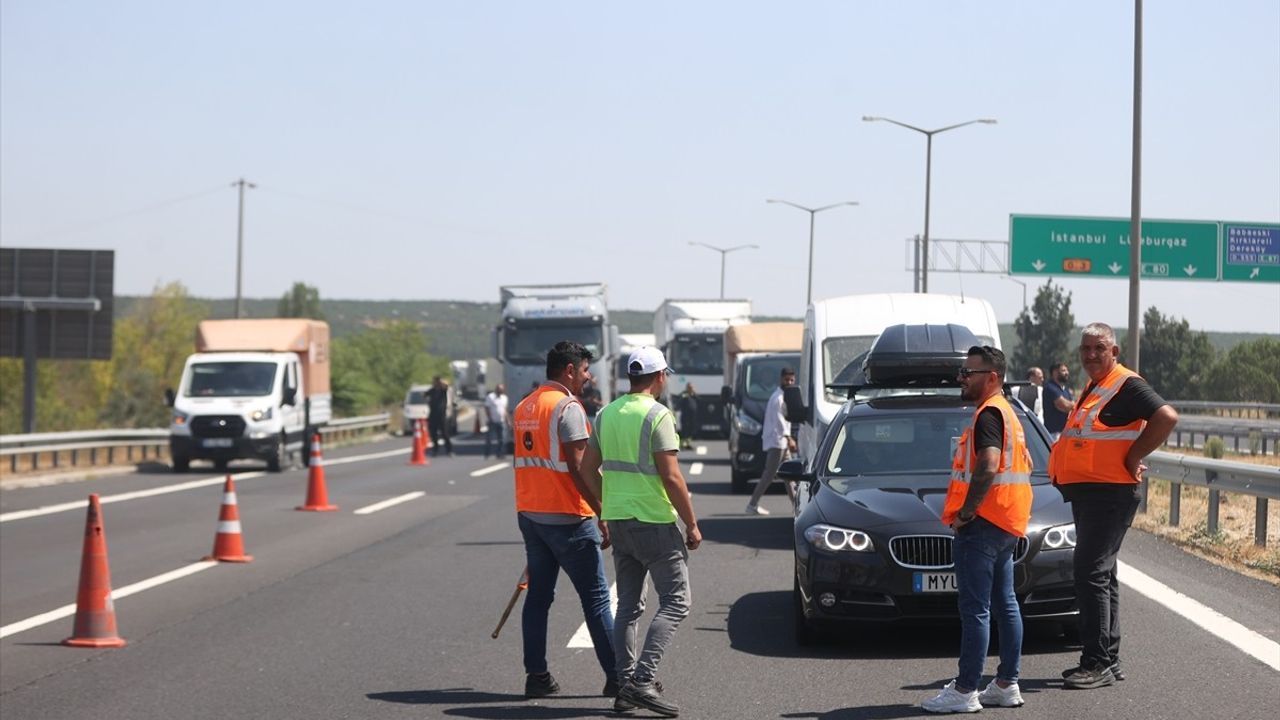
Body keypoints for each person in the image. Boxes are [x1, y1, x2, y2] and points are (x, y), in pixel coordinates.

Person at [1050, 323, 1177, 690]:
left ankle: (1096, 662)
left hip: (1110, 493)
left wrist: (1134, 454)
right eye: (1085, 348)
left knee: (1089, 571)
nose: (1090, 355)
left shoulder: (1127, 383)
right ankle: (1110, 658)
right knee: (1103, 573)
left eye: (1099, 349)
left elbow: (1166, 417)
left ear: (1114, 352)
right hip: (1091, 493)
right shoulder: (1097, 385)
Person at [581, 346, 700, 718]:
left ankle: (624, 685)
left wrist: (608, 505)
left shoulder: (606, 413)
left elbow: (587, 470)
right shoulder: (658, 414)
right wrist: (692, 523)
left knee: (628, 607)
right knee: (677, 601)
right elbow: (671, 475)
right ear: (660, 376)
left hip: (620, 521)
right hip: (654, 523)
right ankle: (642, 682)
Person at [922, 346, 1033, 713]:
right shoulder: (1009, 413)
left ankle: (966, 689)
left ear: (992, 377)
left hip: (983, 523)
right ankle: (1006, 683)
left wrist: (967, 511)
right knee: (1005, 603)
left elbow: (987, 465)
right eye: (962, 372)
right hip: (1006, 522)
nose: (961, 378)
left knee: (975, 609)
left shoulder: (989, 414)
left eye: (968, 372)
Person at [511, 342, 616, 700]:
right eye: (585, 369)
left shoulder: (525, 405)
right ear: (569, 370)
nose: (589, 376)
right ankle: (619, 679)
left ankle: (536, 676)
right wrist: (603, 511)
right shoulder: (568, 408)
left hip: (531, 514)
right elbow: (580, 468)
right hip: (569, 518)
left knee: (538, 597)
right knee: (598, 599)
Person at [745, 366, 797, 515]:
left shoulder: (783, 395)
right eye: (787, 379)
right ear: (781, 379)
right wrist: (789, 438)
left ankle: (796, 505)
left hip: (781, 442)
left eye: (792, 379)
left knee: (789, 475)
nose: (790, 382)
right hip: (777, 442)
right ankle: (752, 505)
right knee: (769, 474)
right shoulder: (778, 398)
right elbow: (780, 422)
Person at [1042, 362, 1074, 441]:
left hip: (1065, 432)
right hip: (1054, 434)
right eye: (1063, 370)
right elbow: (1064, 406)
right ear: (1055, 373)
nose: (1067, 373)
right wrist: (1076, 405)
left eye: (1067, 370)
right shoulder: (1050, 388)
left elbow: (1072, 406)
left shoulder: (1065, 390)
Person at [426, 376, 454, 457]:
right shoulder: (432, 390)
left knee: (445, 433)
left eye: (436, 381)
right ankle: (435, 449)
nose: (434, 383)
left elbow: (446, 385)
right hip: (432, 415)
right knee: (433, 434)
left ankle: (449, 450)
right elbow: (425, 395)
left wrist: (442, 382)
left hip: (441, 416)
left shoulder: (442, 390)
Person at [483, 383, 509, 459]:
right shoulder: (490, 397)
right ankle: (487, 454)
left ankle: (499, 454)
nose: (501, 391)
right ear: (496, 389)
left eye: (502, 389)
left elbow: (505, 410)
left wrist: (508, 421)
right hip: (492, 421)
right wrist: (490, 418)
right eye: (499, 389)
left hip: (501, 421)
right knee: (489, 439)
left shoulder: (504, 398)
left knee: (502, 439)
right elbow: (487, 408)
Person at [677, 382, 697, 450]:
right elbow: (679, 402)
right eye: (689, 387)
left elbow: (698, 400)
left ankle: (688, 444)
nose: (691, 389)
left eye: (691, 388)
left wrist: (694, 394)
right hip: (685, 415)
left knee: (690, 430)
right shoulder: (684, 394)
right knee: (684, 430)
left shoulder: (693, 394)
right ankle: (682, 444)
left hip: (692, 416)